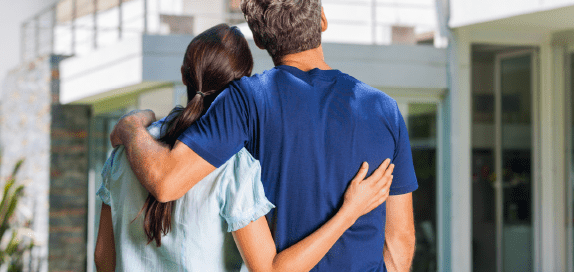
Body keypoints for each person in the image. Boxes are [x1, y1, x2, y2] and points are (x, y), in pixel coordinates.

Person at [111, 0, 418, 271]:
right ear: (322, 20)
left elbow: (165, 182)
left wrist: (131, 126)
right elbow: (400, 240)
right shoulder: (384, 109)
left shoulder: (245, 100)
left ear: (258, 40)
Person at [94, 23, 394, 272]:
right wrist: (349, 212)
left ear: (185, 74)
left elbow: (102, 257)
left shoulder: (124, 153)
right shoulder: (234, 166)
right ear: (243, 83)